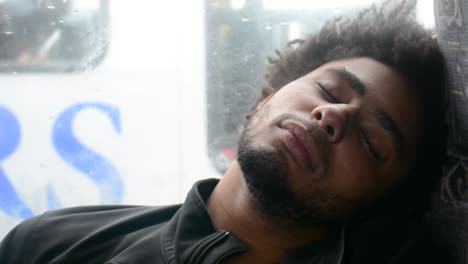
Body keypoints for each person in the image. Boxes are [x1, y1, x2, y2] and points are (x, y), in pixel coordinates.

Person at [0, 0, 450, 263]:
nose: (332, 116)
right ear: (266, 94)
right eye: (327, 88)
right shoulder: (47, 244)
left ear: (382, 202)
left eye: (372, 143)